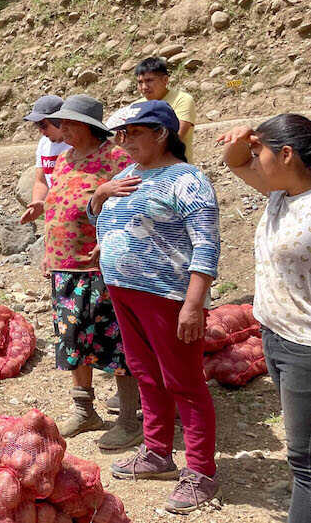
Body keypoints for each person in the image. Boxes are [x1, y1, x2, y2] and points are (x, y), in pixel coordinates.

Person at [89, 100, 220, 511]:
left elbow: (207, 244)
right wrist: (99, 195)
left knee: (184, 381)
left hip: (167, 296)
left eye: (131, 133)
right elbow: (104, 218)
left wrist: (193, 305)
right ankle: (158, 453)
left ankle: (201, 473)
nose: (122, 142)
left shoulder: (187, 179)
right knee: (146, 373)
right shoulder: (126, 175)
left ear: (161, 133)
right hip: (124, 290)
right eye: (119, 135)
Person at [219, 114, 311, 523]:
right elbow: (234, 162)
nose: (255, 161)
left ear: (287, 154)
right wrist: (246, 139)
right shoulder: (279, 192)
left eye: (262, 153)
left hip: (305, 347)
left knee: (304, 460)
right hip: (275, 336)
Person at [40, 95, 139, 448]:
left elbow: (134, 211)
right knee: (72, 339)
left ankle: (130, 418)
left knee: (116, 341)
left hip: (100, 267)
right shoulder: (66, 159)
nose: (61, 129)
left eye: (68, 124)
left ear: (89, 127)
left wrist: (109, 238)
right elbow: (56, 206)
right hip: (63, 266)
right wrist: (48, 251)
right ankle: (85, 411)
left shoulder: (118, 159)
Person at [133, 57, 197, 163]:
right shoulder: (136, 106)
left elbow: (175, 138)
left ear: (165, 80)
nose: (144, 87)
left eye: (149, 81)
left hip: (177, 169)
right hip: (144, 169)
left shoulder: (182, 100)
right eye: (140, 82)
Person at [20, 95, 71, 226]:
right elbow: (41, 180)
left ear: (59, 121)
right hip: (54, 213)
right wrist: (36, 205)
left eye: (43, 125)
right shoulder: (44, 144)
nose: (41, 131)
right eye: (38, 125)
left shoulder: (74, 143)